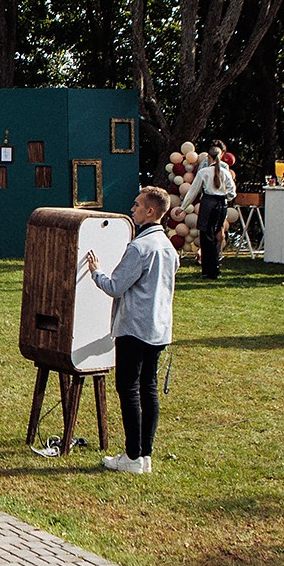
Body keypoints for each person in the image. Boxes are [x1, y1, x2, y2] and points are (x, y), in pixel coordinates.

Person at [84, 186, 179, 475]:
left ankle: (133, 455)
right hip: (159, 326)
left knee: (128, 388)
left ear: (151, 211)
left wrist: (96, 271)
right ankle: (144, 454)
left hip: (135, 327)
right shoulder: (167, 246)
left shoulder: (140, 247)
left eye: (137, 205)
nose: (133, 209)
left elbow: (115, 286)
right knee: (148, 387)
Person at [179, 142, 236, 280]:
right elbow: (232, 193)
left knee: (206, 237)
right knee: (217, 235)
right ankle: (215, 268)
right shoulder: (226, 173)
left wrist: (182, 208)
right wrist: (224, 197)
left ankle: (207, 270)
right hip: (221, 204)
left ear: (208, 157)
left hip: (208, 203)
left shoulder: (203, 172)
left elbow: (193, 192)